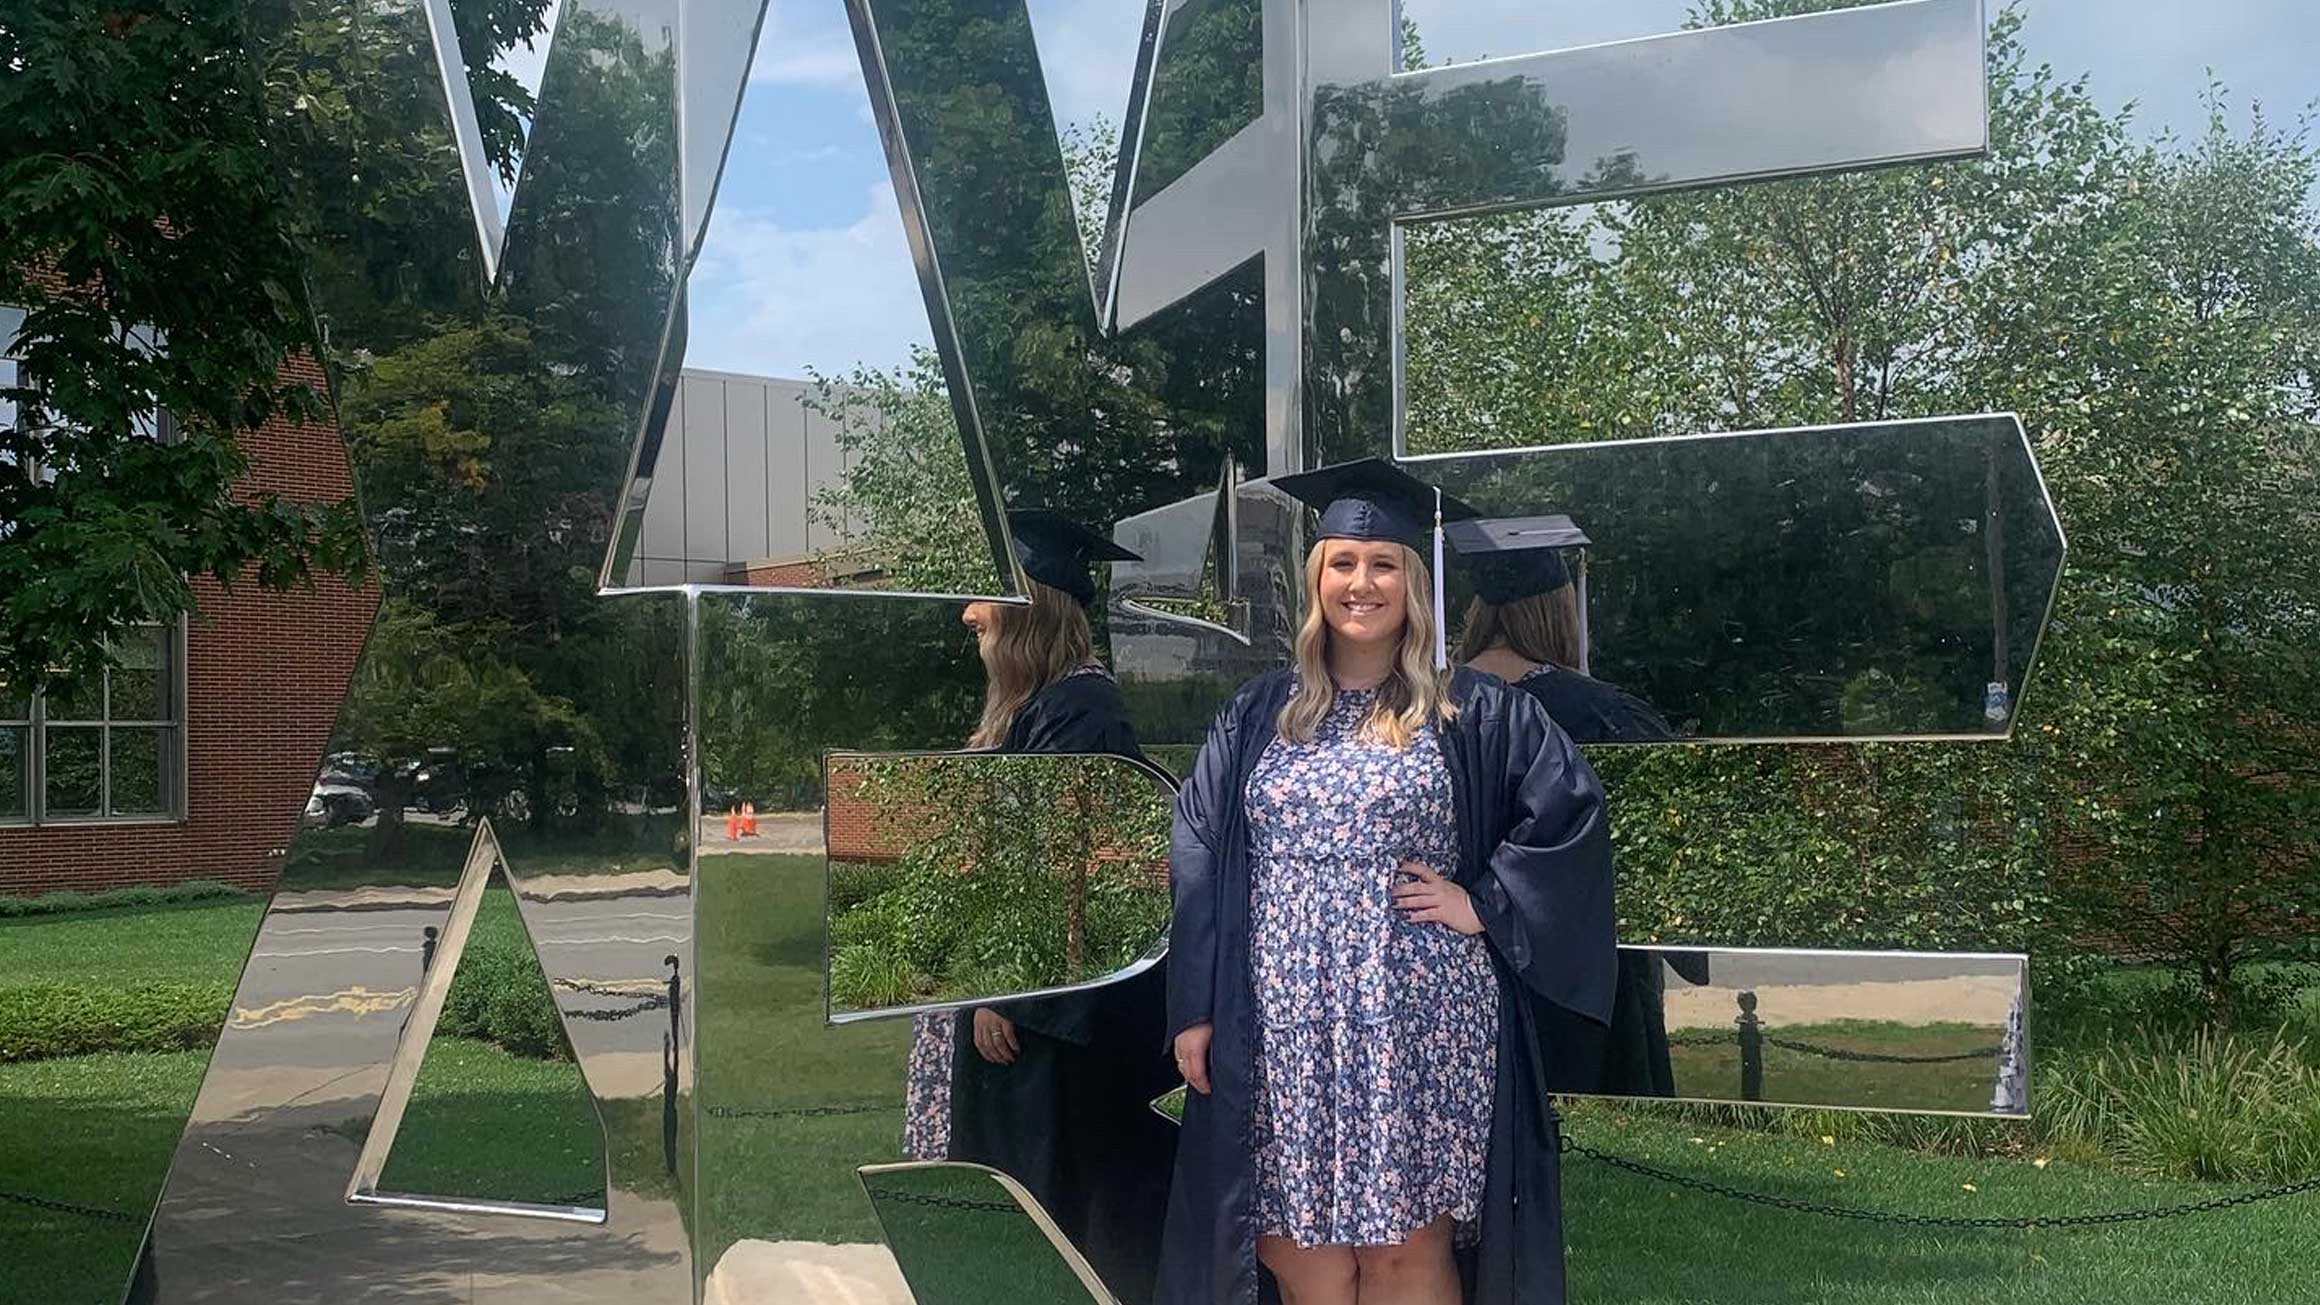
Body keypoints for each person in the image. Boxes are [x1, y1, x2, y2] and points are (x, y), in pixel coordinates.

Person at [1160, 460, 1618, 1305]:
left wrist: (1483, 904)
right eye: (1342, 562)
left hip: (1419, 1010)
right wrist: (1195, 1001)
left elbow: (1572, 816)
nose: (1360, 583)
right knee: (1304, 1254)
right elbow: (1196, 843)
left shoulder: (1469, 708)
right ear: (1316, 578)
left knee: (1405, 1252)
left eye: (1382, 565)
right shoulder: (1261, 712)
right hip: (1281, 1016)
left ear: (1413, 581)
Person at [899, 508, 1175, 1304]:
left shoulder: (1082, 712)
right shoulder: (1044, 705)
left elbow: (1065, 871)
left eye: (986, 595)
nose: (969, 612)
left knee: (1054, 1213)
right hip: (1025, 1006)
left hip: (1049, 1025)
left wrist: (1000, 990)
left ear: (1029, 607)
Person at [1449, 516, 1687, 1101]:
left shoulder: (1427, 703)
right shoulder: (1603, 713)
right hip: (1585, 974)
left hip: (1459, 958)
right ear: (1561, 608)